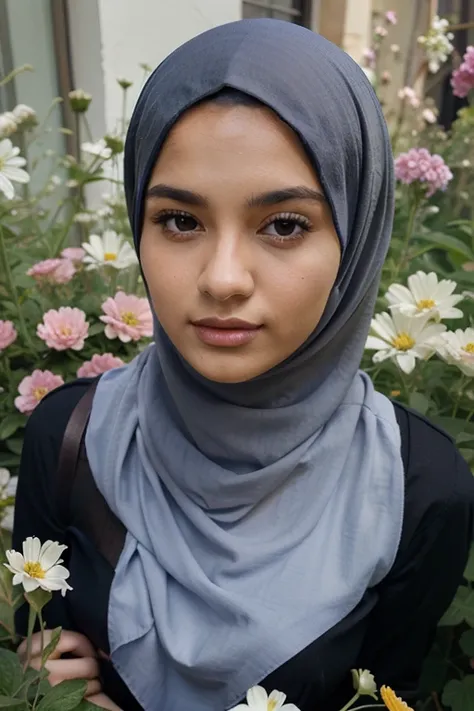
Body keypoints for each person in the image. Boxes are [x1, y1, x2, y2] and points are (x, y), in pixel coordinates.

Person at [12, 18, 474, 711]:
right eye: (179, 219)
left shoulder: (420, 486)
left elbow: (387, 694)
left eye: (284, 224)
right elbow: (37, 644)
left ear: (357, 235)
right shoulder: (69, 439)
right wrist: (41, 681)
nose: (223, 279)